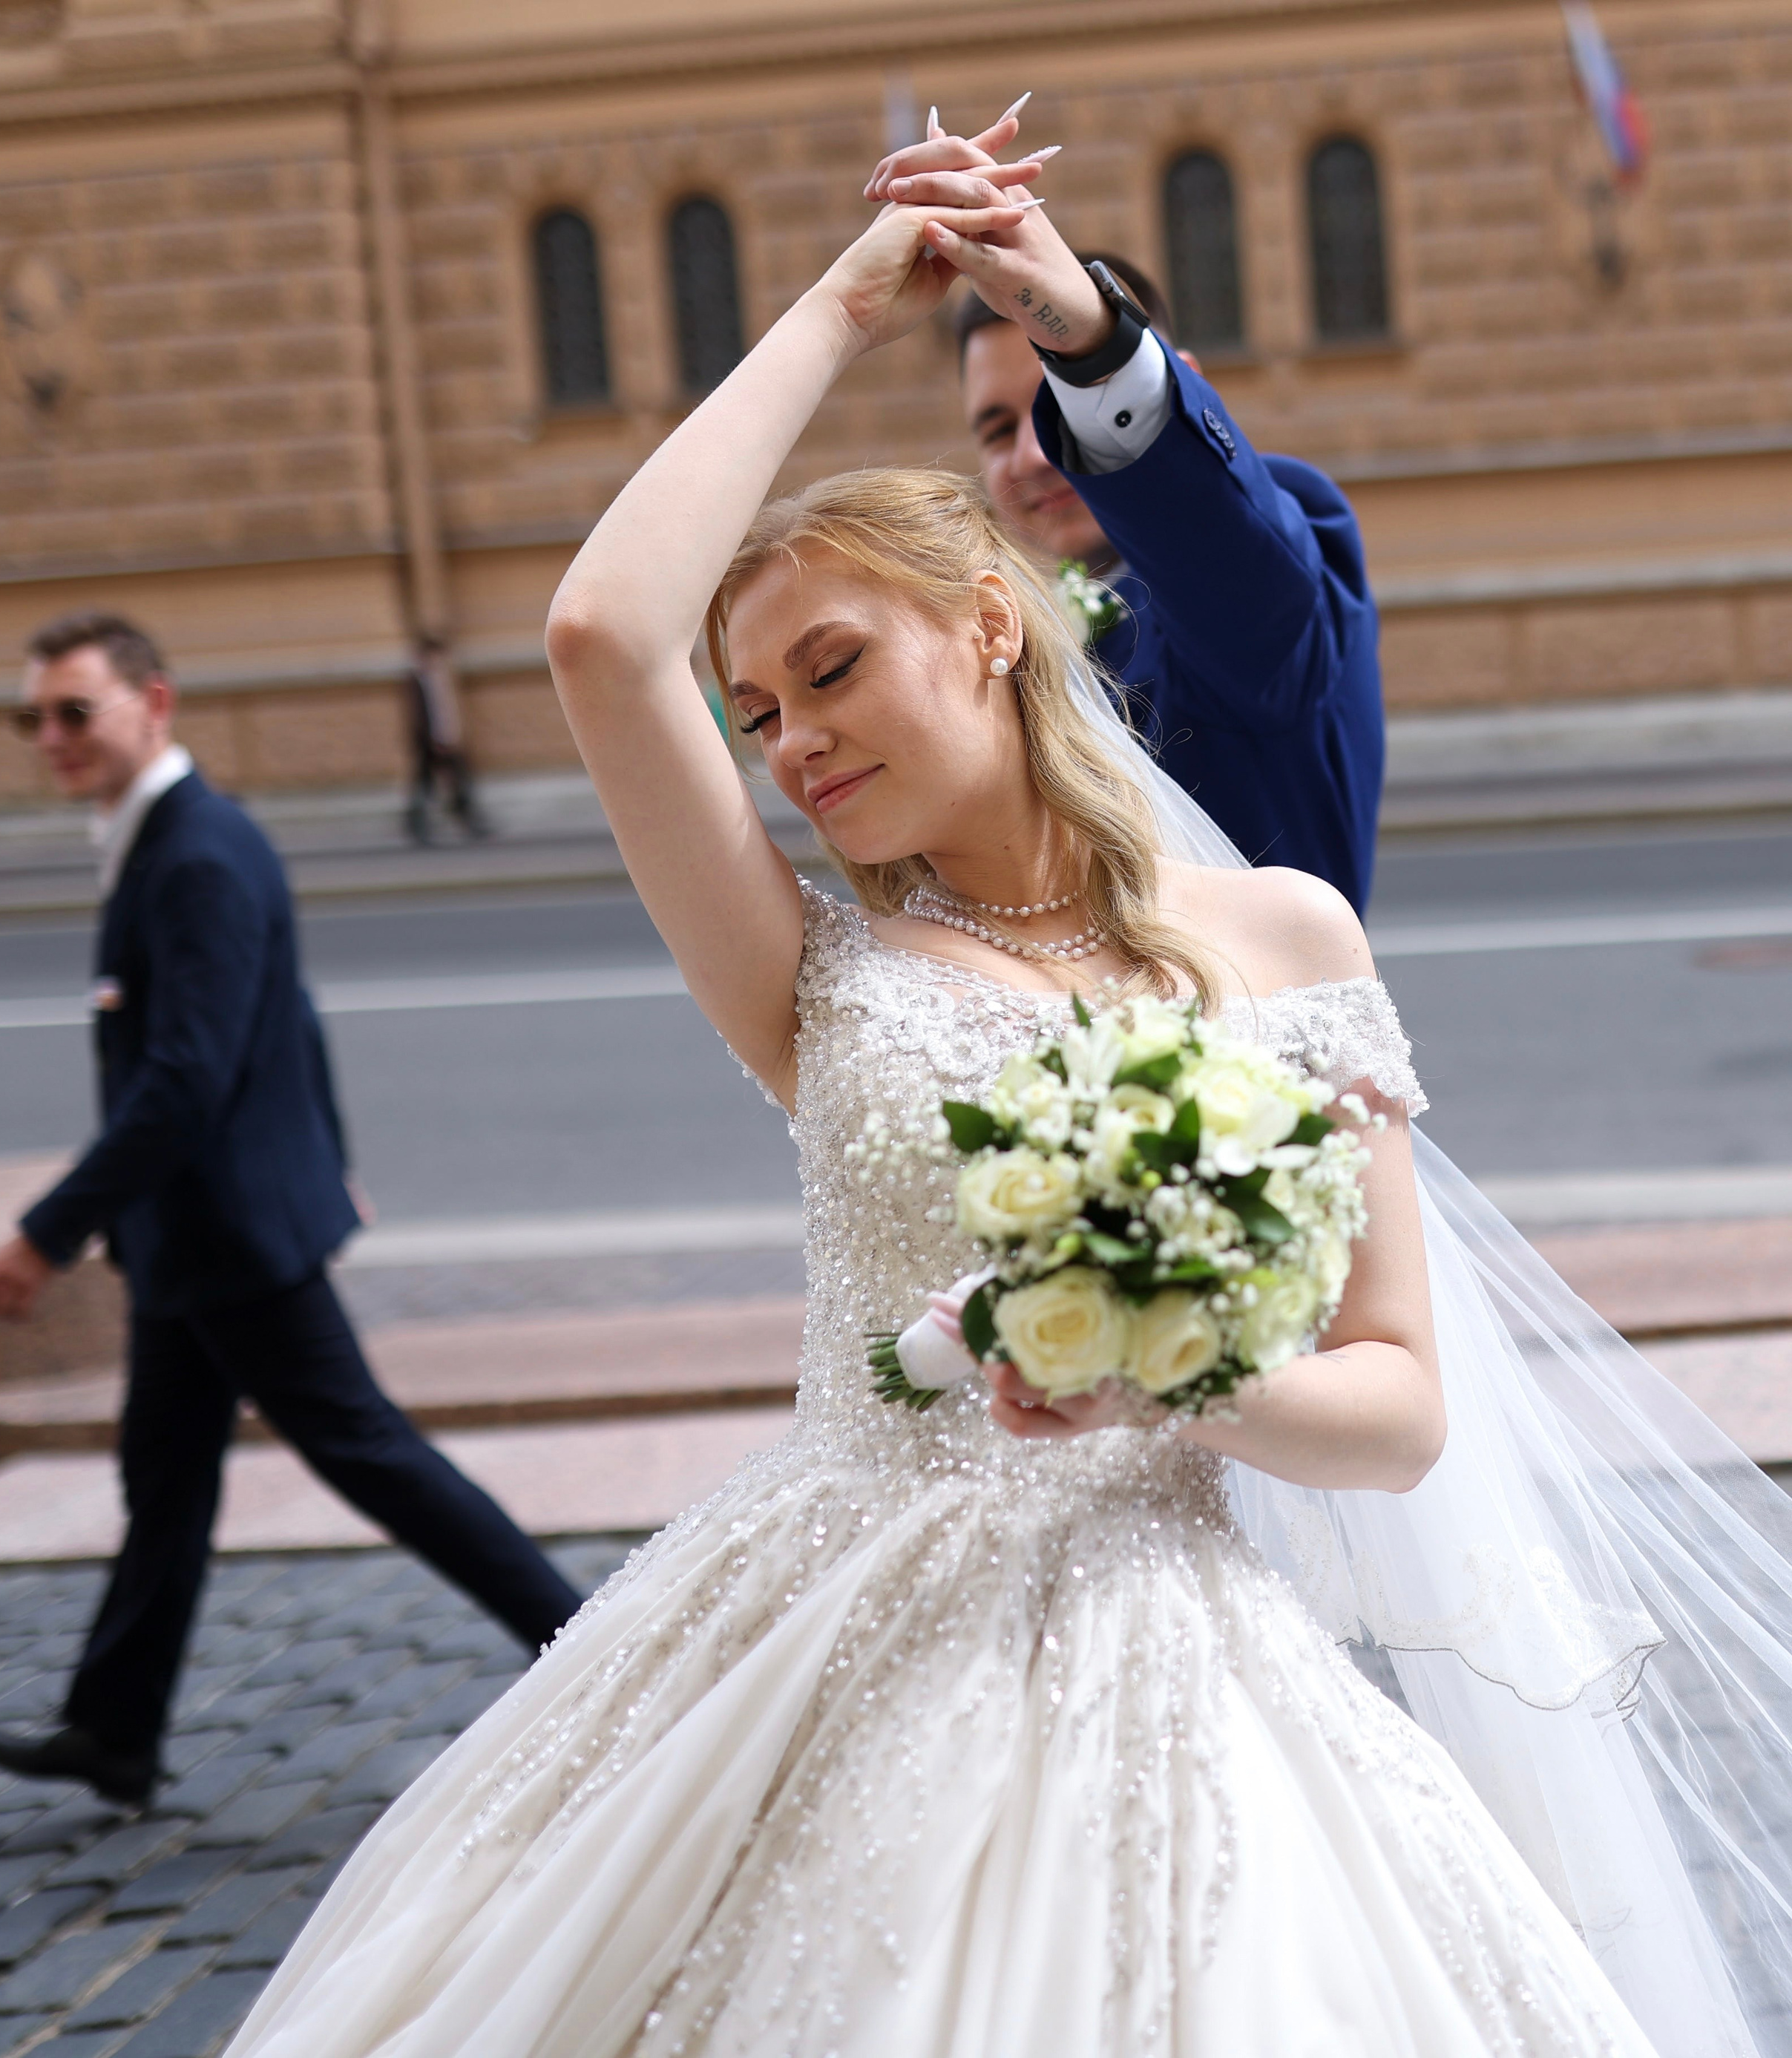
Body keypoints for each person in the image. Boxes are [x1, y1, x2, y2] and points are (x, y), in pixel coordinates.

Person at [225, 165, 1792, 2058]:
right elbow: (593, 635)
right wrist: (838, 307)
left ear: (986, 626)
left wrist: (1165, 1376)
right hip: (816, 1632)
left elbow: (1395, 1410)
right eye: (756, 715)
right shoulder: (810, 966)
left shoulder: (1281, 938)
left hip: (1179, 1635)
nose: (793, 742)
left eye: (830, 667)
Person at [0, 612, 580, 1809]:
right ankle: (114, 1724)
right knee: (168, 1472)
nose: (51, 737)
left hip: (228, 1238)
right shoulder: (169, 838)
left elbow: (183, 1081)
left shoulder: (194, 854)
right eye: (32, 717)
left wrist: (47, 1230)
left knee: (372, 1456)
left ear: (157, 701)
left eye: (74, 711)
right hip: (194, 1240)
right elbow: (284, 1028)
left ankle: (599, 1644)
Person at [866, 106, 1383, 912]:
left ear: (1178, 374)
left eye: (1055, 409)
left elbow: (1235, 573)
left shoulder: (1271, 544)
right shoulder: (986, 628)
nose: (1034, 456)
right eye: (998, 430)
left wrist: (1087, 342)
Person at [403, 632, 489, 844]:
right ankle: (417, 825)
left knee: (456, 784)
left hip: (445, 741)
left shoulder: (439, 679)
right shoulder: (418, 681)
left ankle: (468, 821)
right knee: (426, 788)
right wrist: (436, 740)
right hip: (431, 744)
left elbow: (446, 713)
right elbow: (425, 717)